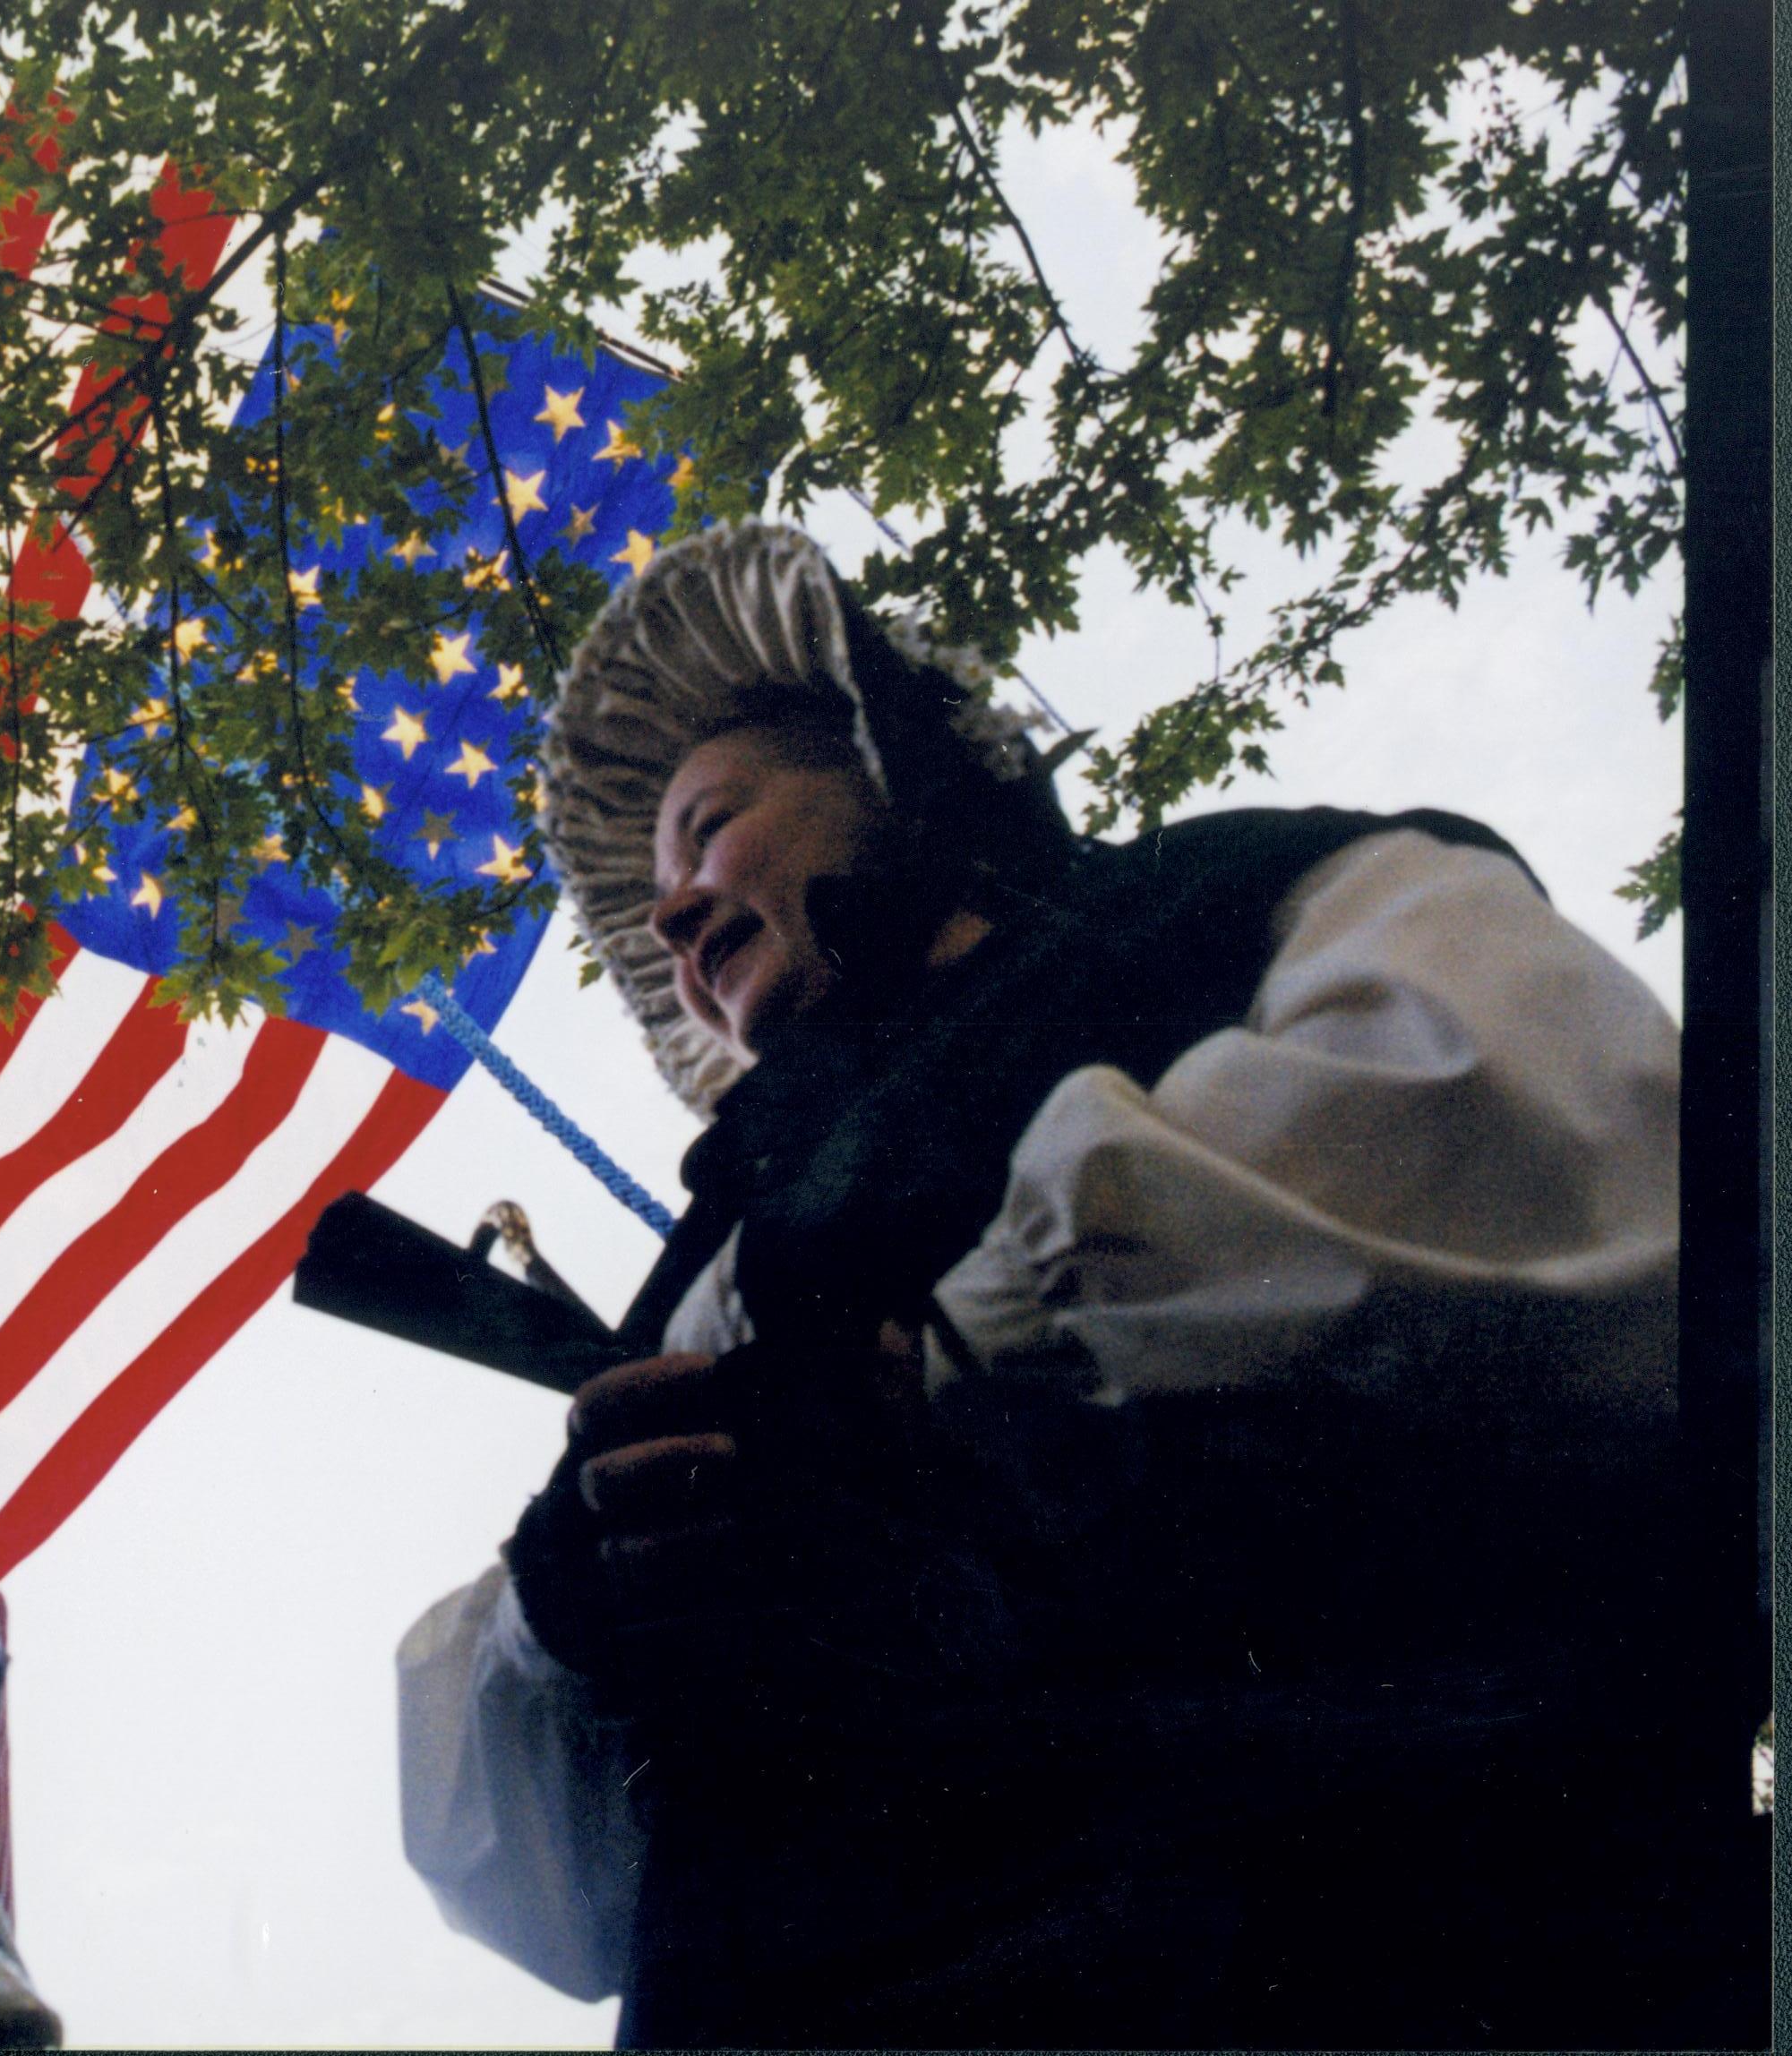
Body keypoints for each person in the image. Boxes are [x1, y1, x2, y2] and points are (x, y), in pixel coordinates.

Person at [397, 522, 1746, 2044]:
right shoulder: (709, 1264)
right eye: (654, 879)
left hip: (1368, 1954)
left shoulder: (1244, 898)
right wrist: (567, 1613)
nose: (668, 907)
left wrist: (959, 1364)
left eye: (710, 824)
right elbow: (550, 1907)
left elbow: (1563, 1165)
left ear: (880, 767)